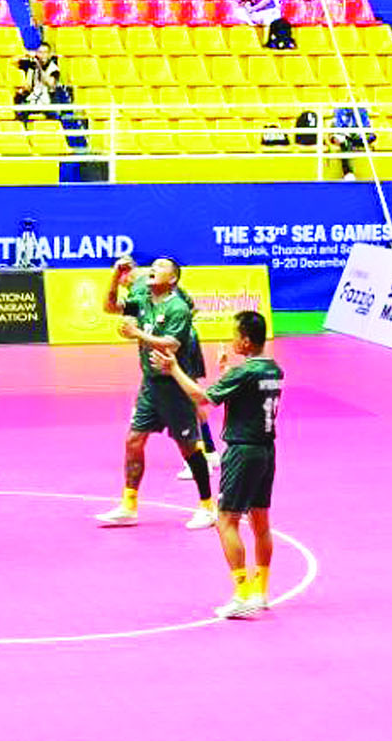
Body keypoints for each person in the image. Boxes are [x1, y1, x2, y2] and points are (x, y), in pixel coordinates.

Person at [153, 309, 282, 617]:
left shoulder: (244, 373)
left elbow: (202, 398)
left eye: (235, 334)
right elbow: (245, 395)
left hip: (242, 451)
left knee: (226, 520)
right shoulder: (274, 369)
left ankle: (241, 595)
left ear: (246, 341)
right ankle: (260, 592)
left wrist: (174, 369)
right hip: (266, 451)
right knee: (261, 523)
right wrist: (226, 371)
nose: (231, 338)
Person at [95, 256, 219, 531]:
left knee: (188, 449)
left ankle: (207, 507)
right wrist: (114, 276)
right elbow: (109, 306)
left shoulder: (177, 308)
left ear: (172, 279)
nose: (153, 268)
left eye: (161, 266)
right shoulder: (142, 299)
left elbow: (170, 344)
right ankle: (129, 506)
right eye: (153, 265)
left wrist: (137, 333)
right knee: (134, 440)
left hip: (175, 387)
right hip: (150, 385)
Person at [14, 42, 62, 125]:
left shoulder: (53, 68)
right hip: (32, 97)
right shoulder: (32, 64)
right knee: (20, 112)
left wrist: (39, 67)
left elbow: (50, 83)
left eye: (45, 52)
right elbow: (13, 62)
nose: (42, 55)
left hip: (47, 99)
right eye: (40, 52)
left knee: (54, 115)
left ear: (49, 55)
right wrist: (25, 54)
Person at [328, 105, 376, 179]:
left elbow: (367, 127)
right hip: (344, 137)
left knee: (372, 137)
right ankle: (348, 173)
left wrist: (360, 134)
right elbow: (336, 127)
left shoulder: (362, 111)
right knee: (345, 143)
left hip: (358, 137)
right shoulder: (339, 111)